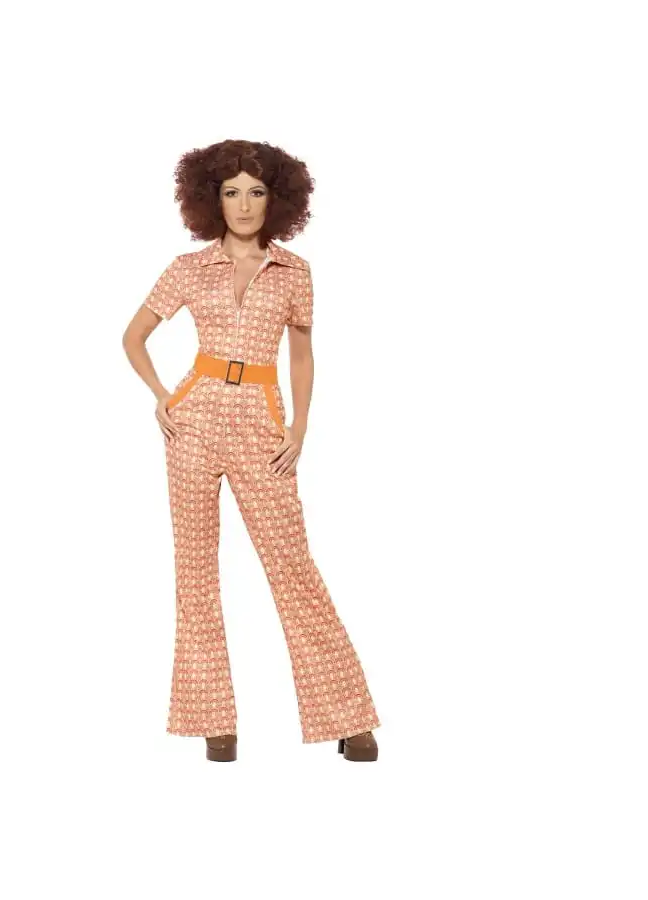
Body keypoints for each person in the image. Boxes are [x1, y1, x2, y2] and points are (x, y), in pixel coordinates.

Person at [122, 139, 381, 762]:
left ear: (278, 199)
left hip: (262, 420)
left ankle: (348, 718)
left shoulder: (295, 272)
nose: (243, 205)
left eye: (256, 192)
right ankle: (213, 721)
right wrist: (162, 396)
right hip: (194, 418)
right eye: (231, 192)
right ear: (211, 199)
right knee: (195, 571)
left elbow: (302, 355)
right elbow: (133, 336)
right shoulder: (188, 269)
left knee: (292, 567)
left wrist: (299, 427)